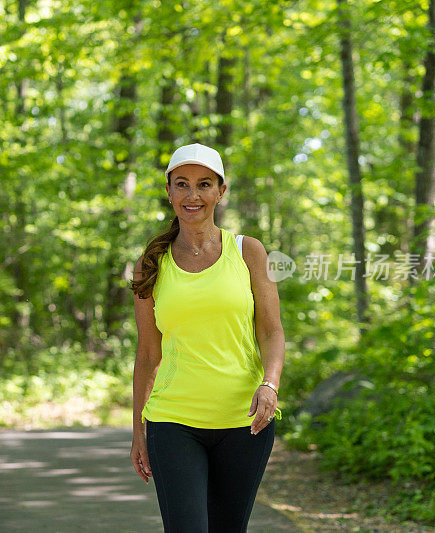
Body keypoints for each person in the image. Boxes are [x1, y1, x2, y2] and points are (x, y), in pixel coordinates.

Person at [129, 143, 285, 532]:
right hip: (172, 422)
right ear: (169, 192)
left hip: (244, 422)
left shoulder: (248, 251)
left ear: (220, 191)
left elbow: (271, 330)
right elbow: (149, 353)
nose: (192, 195)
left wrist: (270, 384)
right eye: (181, 184)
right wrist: (138, 431)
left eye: (203, 184)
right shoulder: (152, 263)